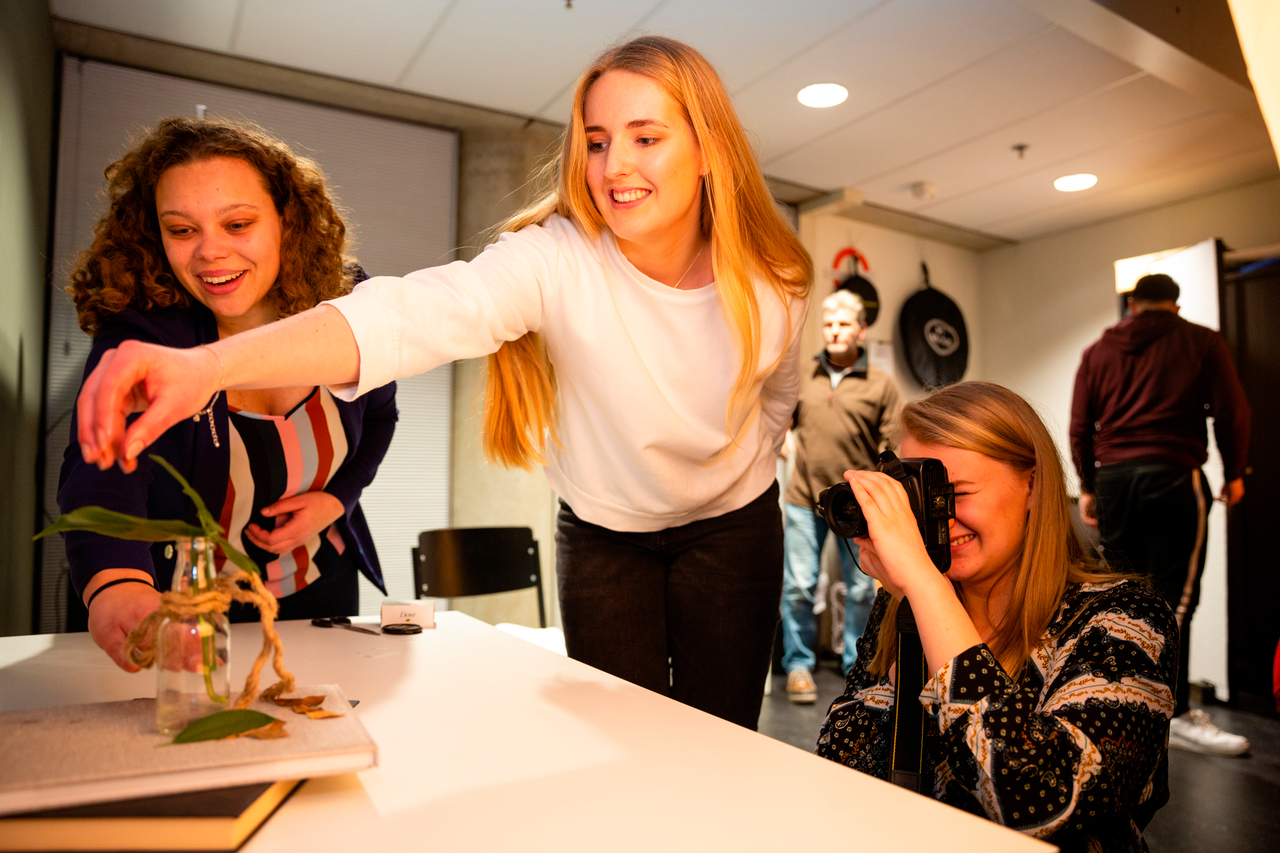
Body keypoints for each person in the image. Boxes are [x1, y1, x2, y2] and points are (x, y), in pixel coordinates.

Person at [73, 37, 811, 730]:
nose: (615, 165)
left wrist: (731, 475)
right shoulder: (556, 259)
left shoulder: (777, 282)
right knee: (621, 733)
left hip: (731, 524)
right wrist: (207, 368)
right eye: (596, 141)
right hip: (603, 529)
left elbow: (775, 400)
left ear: (710, 149)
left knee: (722, 735)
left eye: (645, 137)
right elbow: (414, 316)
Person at [59, 117, 398, 672]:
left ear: (286, 220)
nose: (209, 253)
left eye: (237, 223)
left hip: (323, 582)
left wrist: (338, 501)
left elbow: (381, 419)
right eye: (182, 230)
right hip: (198, 607)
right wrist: (116, 581)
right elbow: (101, 462)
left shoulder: (346, 301)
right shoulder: (147, 332)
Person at [817, 382, 1175, 853]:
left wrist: (925, 586)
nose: (935, 518)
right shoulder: (915, 601)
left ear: (1032, 485)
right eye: (919, 499)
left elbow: (1039, 801)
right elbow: (841, 763)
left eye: (956, 493)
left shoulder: (1126, 618)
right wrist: (920, 599)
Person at [1069, 272, 1251, 756]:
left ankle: (1116, 701)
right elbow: (1232, 411)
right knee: (1176, 599)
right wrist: (1235, 472)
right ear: (1174, 304)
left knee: (1119, 592)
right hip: (1174, 474)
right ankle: (1174, 714)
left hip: (1113, 480)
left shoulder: (1097, 351)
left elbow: (1080, 425)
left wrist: (1089, 485)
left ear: (1132, 303)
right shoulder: (1200, 341)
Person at [780, 289, 899, 703]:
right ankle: (798, 665)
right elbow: (779, 418)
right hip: (802, 499)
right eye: (828, 324)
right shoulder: (801, 376)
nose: (834, 331)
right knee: (798, 586)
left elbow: (892, 445)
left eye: (844, 324)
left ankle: (857, 664)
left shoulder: (881, 384)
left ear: (861, 330)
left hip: (855, 505)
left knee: (864, 589)